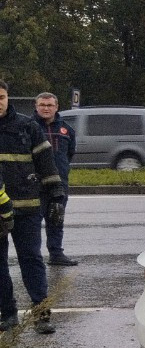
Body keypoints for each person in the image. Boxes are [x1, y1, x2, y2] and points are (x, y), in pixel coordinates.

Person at [0, 81, 65, 334]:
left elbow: (46, 163)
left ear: (8, 97)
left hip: (26, 208)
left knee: (32, 260)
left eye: (2, 97)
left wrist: (56, 194)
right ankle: (8, 314)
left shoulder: (27, 126)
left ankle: (41, 315)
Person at [34, 93, 77, 266]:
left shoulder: (67, 130)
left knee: (56, 218)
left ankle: (56, 253)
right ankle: (33, 256)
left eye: (49, 105)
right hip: (35, 184)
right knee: (33, 223)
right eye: (42, 105)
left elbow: (70, 153)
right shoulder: (29, 127)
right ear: (36, 107)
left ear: (56, 107)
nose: (46, 108)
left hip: (60, 184)